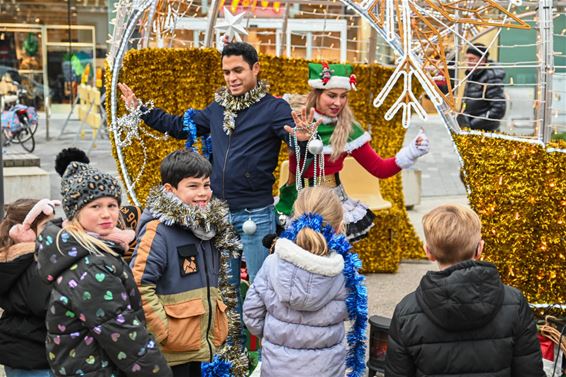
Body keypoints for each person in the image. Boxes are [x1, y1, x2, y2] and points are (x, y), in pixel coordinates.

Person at [118, 42, 313, 288]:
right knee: (225, 289)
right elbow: (180, 127)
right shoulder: (218, 108)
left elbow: (296, 145)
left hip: (257, 215)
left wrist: (303, 140)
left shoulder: (274, 108)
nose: (232, 78)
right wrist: (142, 110)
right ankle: (231, 329)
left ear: (256, 69)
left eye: (238, 70)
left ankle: (257, 329)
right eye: (226, 72)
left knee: (261, 287)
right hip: (219, 213)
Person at [35, 153, 172, 377]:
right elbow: (124, 336)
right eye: (95, 206)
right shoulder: (91, 267)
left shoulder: (84, 250)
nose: (107, 214)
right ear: (75, 212)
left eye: (112, 204)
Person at [385, 204, 545, 377]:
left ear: (428, 252)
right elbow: (530, 371)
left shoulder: (406, 311)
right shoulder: (515, 303)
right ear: (479, 249)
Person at [276, 62, 430, 241]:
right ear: (317, 93)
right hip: (294, 200)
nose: (338, 103)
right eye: (331, 95)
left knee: (329, 257)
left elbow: (380, 169)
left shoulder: (349, 130)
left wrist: (412, 151)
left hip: (330, 203)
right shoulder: (295, 114)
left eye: (343, 96)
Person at [130, 149, 245, 377]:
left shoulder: (208, 227)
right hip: (171, 349)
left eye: (206, 185)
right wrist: (164, 331)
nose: (203, 193)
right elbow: (138, 284)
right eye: (193, 186)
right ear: (169, 190)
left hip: (199, 345)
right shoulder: (159, 231)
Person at [244, 186, 356, 377]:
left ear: (293, 221)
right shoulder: (344, 272)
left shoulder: (273, 263)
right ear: (338, 227)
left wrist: (273, 336)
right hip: (326, 368)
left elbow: (251, 313)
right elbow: (350, 312)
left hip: (277, 367)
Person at [0, 198, 59, 377]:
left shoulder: (11, 260)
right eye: (47, 226)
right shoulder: (33, 263)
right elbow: (45, 304)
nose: (54, 231)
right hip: (36, 355)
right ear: (26, 229)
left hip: (19, 350)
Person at [457, 43, 506, 131]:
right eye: (467, 58)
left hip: (485, 132)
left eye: (472, 59)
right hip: (472, 130)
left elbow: (498, 109)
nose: (468, 62)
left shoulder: (491, 77)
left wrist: (473, 123)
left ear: (483, 60)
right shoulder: (473, 75)